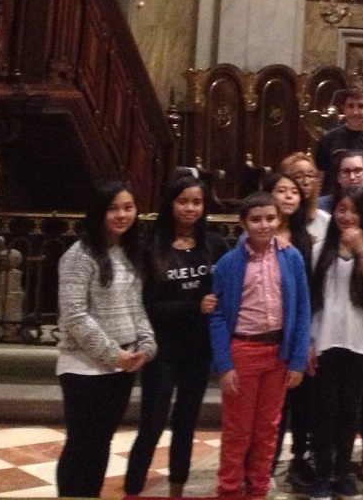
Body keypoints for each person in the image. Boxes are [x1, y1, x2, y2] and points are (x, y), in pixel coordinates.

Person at [125, 172, 228, 498]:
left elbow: (230, 287)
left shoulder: (214, 244)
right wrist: (193, 305)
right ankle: (132, 490)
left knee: (186, 424)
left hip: (199, 349)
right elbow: (148, 306)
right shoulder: (151, 249)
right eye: (183, 201)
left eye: (197, 202)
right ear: (170, 204)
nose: (190, 208)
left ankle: (177, 491)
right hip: (163, 348)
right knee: (152, 424)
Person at [56, 181, 155, 500]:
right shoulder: (79, 256)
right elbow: (75, 316)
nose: (121, 214)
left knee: (102, 443)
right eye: (113, 208)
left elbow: (136, 305)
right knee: (81, 444)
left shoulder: (128, 252)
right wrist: (114, 354)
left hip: (120, 366)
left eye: (128, 207)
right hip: (84, 368)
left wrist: (146, 344)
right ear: (99, 212)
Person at [211, 192, 312, 500]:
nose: (264, 225)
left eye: (270, 218)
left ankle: (258, 489)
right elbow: (216, 316)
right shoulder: (229, 262)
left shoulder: (290, 256)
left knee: (268, 429)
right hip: (243, 350)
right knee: (237, 431)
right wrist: (224, 364)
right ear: (243, 223)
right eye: (255, 219)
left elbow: (302, 308)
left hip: (278, 352)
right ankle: (229, 490)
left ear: (279, 219)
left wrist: (296, 360)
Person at [308, 188, 363, 499]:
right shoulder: (319, 250)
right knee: (324, 412)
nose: (347, 217)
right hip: (325, 341)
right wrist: (309, 342)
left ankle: (343, 471)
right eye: (341, 209)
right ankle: (321, 474)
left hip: (358, 343)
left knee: (348, 413)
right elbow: (312, 301)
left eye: (354, 211)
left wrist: (361, 249)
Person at [264, 168, 322, 488]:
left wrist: (308, 340)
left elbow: (309, 295)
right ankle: (264, 465)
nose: (288, 196)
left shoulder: (304, 241)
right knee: (270, 409)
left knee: (301, 403)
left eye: (294, 192)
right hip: (264, 334)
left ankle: (299, 462)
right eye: (282, 191)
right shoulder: (256, 236)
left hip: (297, 332)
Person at [315, 87, 363, 192]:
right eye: (350, 106)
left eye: (361, 106)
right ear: (343, 108)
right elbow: (320, 175)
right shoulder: (329, 138)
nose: (355, 112)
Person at [277, 153, 331, 249]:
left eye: (311, 176)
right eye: (298, 176)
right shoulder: (268, 221)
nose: (306, 182)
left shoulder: (325, 220)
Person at [320, 151, 363, 219]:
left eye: (358, 170)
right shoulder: (320, 206)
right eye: (346, 171)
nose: (352, 177)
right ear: (338, 177)